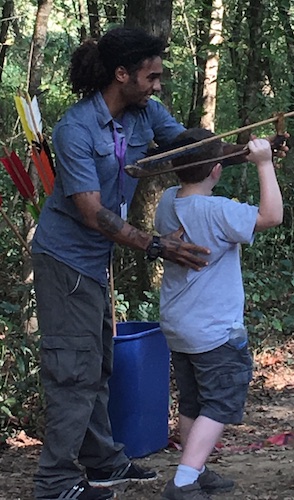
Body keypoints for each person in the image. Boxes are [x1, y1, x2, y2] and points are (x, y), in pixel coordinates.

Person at [31, 27, 212, 500]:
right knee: (73, 370)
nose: (158, 86)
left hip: (96, 262)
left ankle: (102, 461)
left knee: (98, 364)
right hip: (64, 260)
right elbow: (91, 213)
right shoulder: (74, 129)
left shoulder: (145, 114)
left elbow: (191, 152)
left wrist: (250, 153)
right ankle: (54, 484)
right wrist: (157, 245)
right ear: (121, 74)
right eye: (151, 77)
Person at [154, 128, 284, 500]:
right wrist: (264, 164)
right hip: (213, 331)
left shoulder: (167, 201)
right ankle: (182, 481)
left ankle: (196, 467)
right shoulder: (218, 211)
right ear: (216, 170)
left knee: (194, 400)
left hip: (180, 325)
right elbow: (272, 215)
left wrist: (245, 152)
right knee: (221, 401)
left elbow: (202, 166)